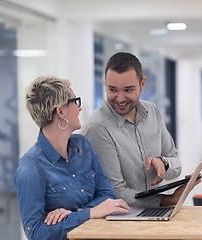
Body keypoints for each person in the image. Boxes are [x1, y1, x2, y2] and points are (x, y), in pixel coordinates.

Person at [14, 75, 130, 240]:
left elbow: (108, 196)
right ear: (60, 111)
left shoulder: (83, 146)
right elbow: (35, 232)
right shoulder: (30, 167)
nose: (79, 108)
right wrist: (91, 212)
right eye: (75, 101)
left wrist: (77, 214)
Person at [81, 52, 187, 208]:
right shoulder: (97, 127)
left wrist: (163, 163)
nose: (120, 98)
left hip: (153, 213)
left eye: (128, 90)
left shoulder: (152, 112)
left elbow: (175, 161)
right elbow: (116, 192)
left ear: (142, 84)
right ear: (105, 83)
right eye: (113, 89)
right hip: (121, 218)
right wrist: (167, 200)